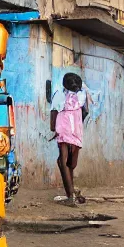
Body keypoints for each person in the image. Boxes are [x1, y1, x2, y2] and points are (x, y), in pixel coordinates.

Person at [50, 72, 90, 206]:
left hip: (63, 129)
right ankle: (71, 192)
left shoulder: (59, 95)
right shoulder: (82, 96)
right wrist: (79, 123)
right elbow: (86, 111)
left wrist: (53, 128)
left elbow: (54, 111)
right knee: (71, 163)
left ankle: (70, 195)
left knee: (62, 160)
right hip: (77, 130)